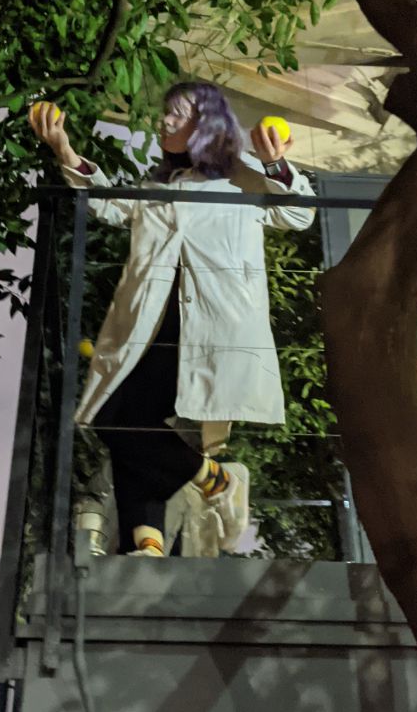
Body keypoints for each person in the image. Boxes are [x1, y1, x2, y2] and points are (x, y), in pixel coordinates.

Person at [29, 81, 315, 557]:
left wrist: (275, 164)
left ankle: (178, 510)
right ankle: (169, 521)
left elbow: (299, 216)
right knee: (124, 420)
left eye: (177, 114)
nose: (164, 121)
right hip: (153, 320)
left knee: (120, 417)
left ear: (206, 125)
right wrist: (64, 149)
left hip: (213, 324)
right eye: (166, 113)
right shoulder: (158, 186)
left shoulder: (242, 180)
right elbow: (107, 203)